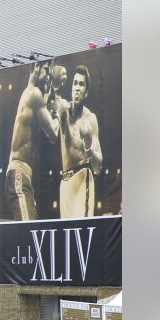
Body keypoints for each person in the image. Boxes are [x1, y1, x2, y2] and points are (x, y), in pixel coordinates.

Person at [4, 60, 62, 220]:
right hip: (19, 174)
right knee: (28, 230)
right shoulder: (34, 94)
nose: (50, 74)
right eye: (47, 68)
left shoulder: (30, 93)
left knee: (30, 229)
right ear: (35, 67)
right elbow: (53, 134)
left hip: (22, 175)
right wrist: (58, 111)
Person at [57, 65, 103, 219]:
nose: (77, 88)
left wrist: (88, 143)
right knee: (67, 236)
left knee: (81, 232)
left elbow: (99, 166)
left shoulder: (90, 119)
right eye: (75, 83)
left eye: (81, 84)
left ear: (86, 92)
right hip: (64, 183)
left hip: (82, 177)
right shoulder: (63, 110)